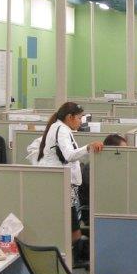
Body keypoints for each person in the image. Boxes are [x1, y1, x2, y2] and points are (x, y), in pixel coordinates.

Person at [35, 102, 103, 246]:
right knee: (73, 228)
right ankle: (73, 252)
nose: (81, 122)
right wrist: (88, 147)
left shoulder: (59, 128)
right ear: (69, 117)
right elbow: (69, 155)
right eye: (79, 118)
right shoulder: (61, 130)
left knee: (71, 225)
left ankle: (72, 250)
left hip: (61, 184)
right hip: (60, 185)